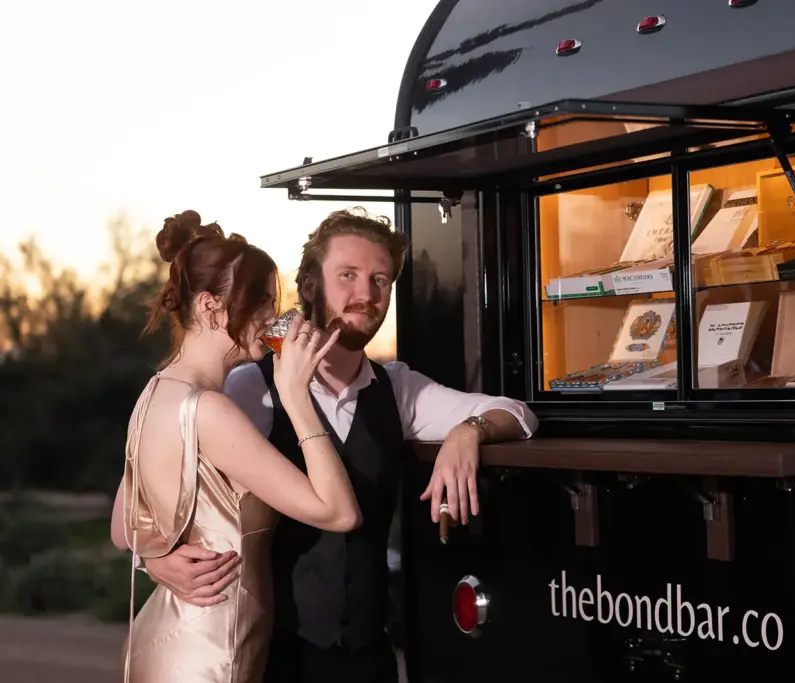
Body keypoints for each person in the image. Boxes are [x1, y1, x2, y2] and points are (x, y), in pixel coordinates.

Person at [140, 207, 539, 683]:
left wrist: (468, 430)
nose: (366, 294)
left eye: (380, 280)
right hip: (273, 655)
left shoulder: (398, 388)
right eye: (347, 275)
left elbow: (519, 412)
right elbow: (142, 491)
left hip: (368, 658)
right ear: (308, 285)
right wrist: (153, 557)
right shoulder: (249, 386)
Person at [109, 210, 365, 683]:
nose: (274, 319)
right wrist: (296, 397)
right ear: (210, 306)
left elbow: (123, 530)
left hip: (172, 639)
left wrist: (155, 559)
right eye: (262, 303)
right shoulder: (212, 411)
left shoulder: (153, 395)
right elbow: (339, 513)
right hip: (213, 653)